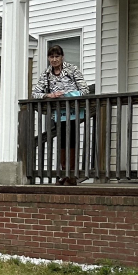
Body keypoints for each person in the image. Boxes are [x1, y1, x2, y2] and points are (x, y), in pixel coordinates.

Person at [32, 44, 90, 182]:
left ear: (62, 57)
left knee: (72, 139)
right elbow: (35, 94)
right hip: (57, 113)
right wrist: (49, 95)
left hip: (74, 111)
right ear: (48, 58)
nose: (54, 59)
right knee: (62, 140)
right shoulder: (46, 74)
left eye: (57, 56)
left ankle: (72, 174)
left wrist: (67, 95)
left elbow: (85, 90)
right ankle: (64, 172)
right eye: (51, 57)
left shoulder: (72, 70)